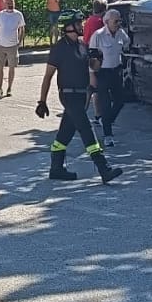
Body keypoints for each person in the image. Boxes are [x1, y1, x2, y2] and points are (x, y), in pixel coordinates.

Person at [37, 13, 122, 183]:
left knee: (64, 135)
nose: (81, 26)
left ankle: (56, 168)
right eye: (77, 23)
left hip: (82, 95)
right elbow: (48, 76)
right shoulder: (59, 49)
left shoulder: (82, 45)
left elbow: (93, 67)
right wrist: (42, 101)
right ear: (68, 26)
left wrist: (97, 58)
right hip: (68, 95)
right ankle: (104, 169)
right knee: (86, 129)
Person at [88, 9, 130, 147]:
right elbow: (92, 57)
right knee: (105, 104)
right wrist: (92, 75)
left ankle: (107, 120)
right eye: (115, 21)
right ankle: (108, 135)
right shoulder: (98, 35)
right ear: (107, 22)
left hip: (116, 71)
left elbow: (126, 44)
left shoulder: (120, 33)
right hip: (103, 73)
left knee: (120, 101)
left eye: (119, 21)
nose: (118, 23)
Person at [0, 0, 25, 97]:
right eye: (8, 3)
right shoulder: (1, 14)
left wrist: (19, 41)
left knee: (12, 67)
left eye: (12, 3)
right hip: (0, 44)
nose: (10, 5)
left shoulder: (18, 14)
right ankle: (0, 88)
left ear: (14, 4)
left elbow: (22, 28)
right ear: (4, 4)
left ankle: (9, 88)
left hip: (12, 45)